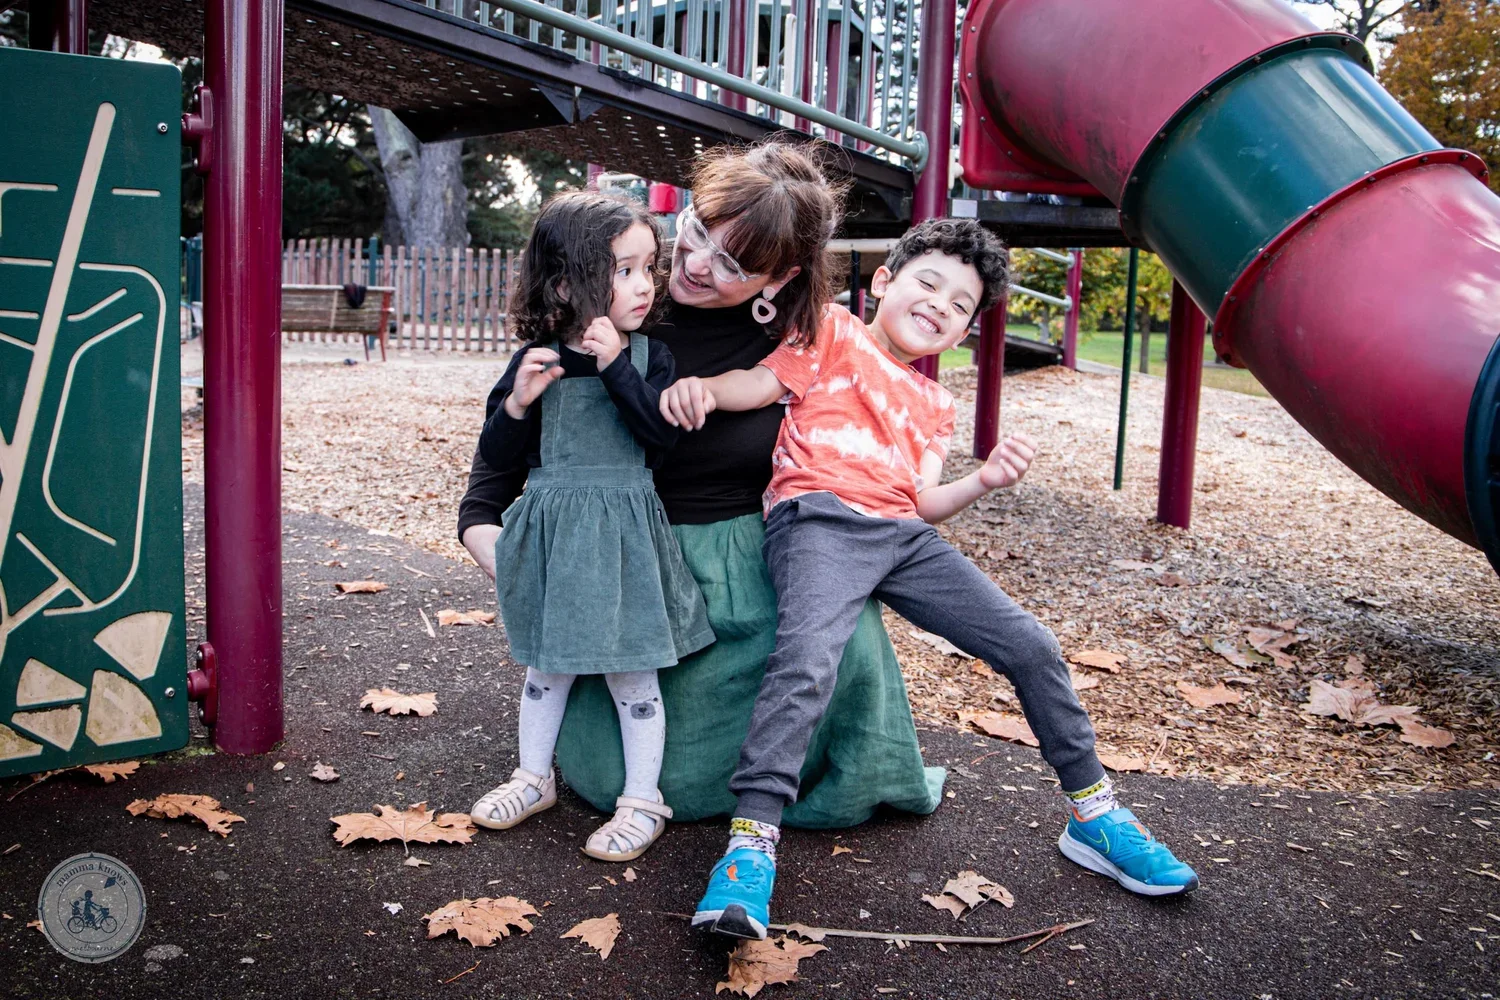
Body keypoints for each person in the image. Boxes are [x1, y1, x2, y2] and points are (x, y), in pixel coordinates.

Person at [659, 218, 1200, 940]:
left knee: (1031, 644)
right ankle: (750, 845)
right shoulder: (832, 330)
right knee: (807, 660)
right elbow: (760, 385)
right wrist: (702, 390)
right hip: (819, 519)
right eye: (929, 283)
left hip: (902, 535)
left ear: (964, 331)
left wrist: (984, 481)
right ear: (885, 281)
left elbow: (923, 501)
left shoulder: (936, 404)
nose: (940, 305)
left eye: (959, 305)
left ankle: (1094, 815)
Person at [458, 140, 942, 829]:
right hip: (632, 568)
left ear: (780, 277)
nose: (692, 265)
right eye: (697, 232)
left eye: (732, 264)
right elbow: (503, 466)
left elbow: (866, 457)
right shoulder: (615, 305)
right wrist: (498, 543)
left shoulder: (805, 344)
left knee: (843, 630)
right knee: (609, 773)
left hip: (758, 564)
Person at [465, 191, 714, 862]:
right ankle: (532, 777)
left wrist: (615, 368)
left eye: (648, 267)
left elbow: (660, 437)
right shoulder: (537, 359)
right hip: (558, 541)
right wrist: (517, 405)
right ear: (564, 284)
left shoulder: (650, 357)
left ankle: (642, 800)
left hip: (626, 537)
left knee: (634, 674)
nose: (644, 284)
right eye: (623, 270)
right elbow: (497, 458)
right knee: (546, 668)